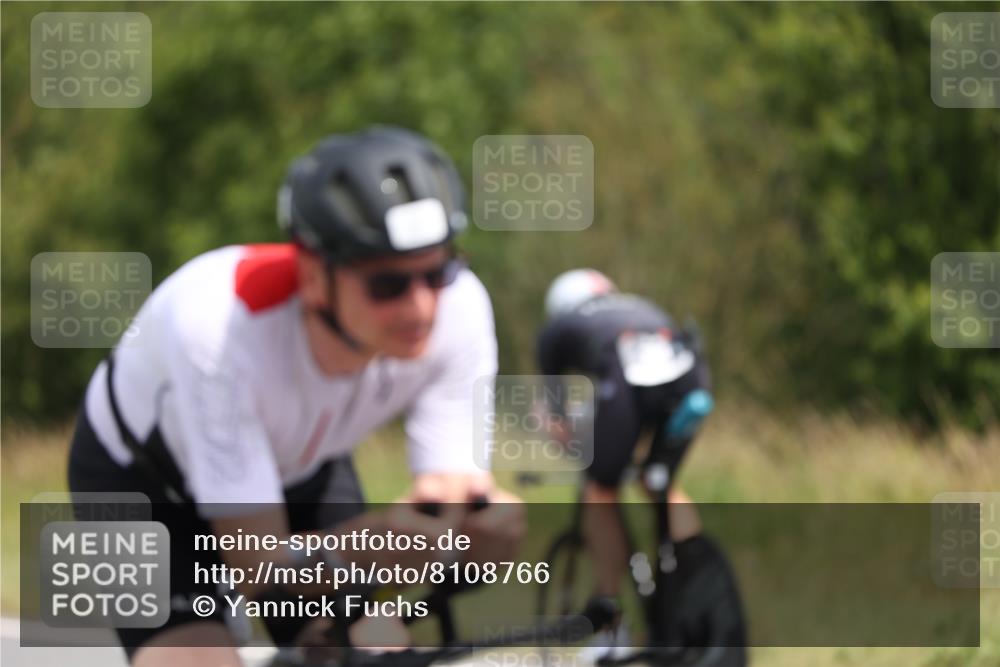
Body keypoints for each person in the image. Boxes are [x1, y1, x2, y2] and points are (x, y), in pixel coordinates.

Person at [67, 126, 525, 667]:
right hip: (142, 487)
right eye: (387, 285)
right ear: (312, 277)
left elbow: (447, 494)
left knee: (373, 650)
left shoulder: (460, 307)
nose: (421, 306)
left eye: (437, 271)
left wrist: (472, 531)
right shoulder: (219, 331)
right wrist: (378, 543)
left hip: (302, 465)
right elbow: (260, 567)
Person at [537, 269, 746, 664]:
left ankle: (610, 624)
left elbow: (557, 413)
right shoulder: (637, 306)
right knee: (658, 483)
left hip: (629, 379)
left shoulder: (559, 328)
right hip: (691, 376)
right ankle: (691, 591)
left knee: (600, 489)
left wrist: (566, 438)